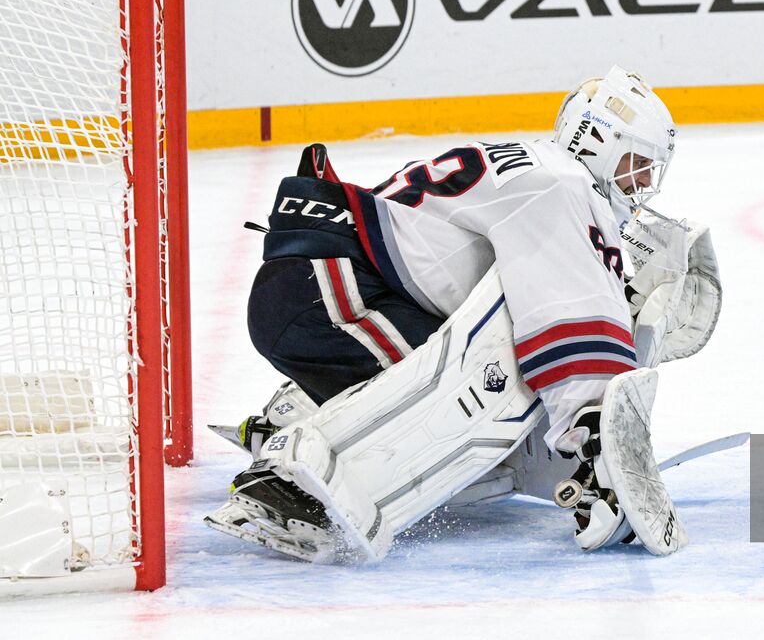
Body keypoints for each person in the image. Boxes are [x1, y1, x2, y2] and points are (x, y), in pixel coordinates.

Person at [206, 67, 722, 562]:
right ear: (598, 141)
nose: (643, 184)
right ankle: (289, 481)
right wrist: (597, 439)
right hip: (330, 289)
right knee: (472, 394)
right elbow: (566, 308)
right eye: (637, 164)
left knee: (489, 448)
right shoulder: (563, 186)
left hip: (329, 286)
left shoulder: (540, 171)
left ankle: (301, 412)